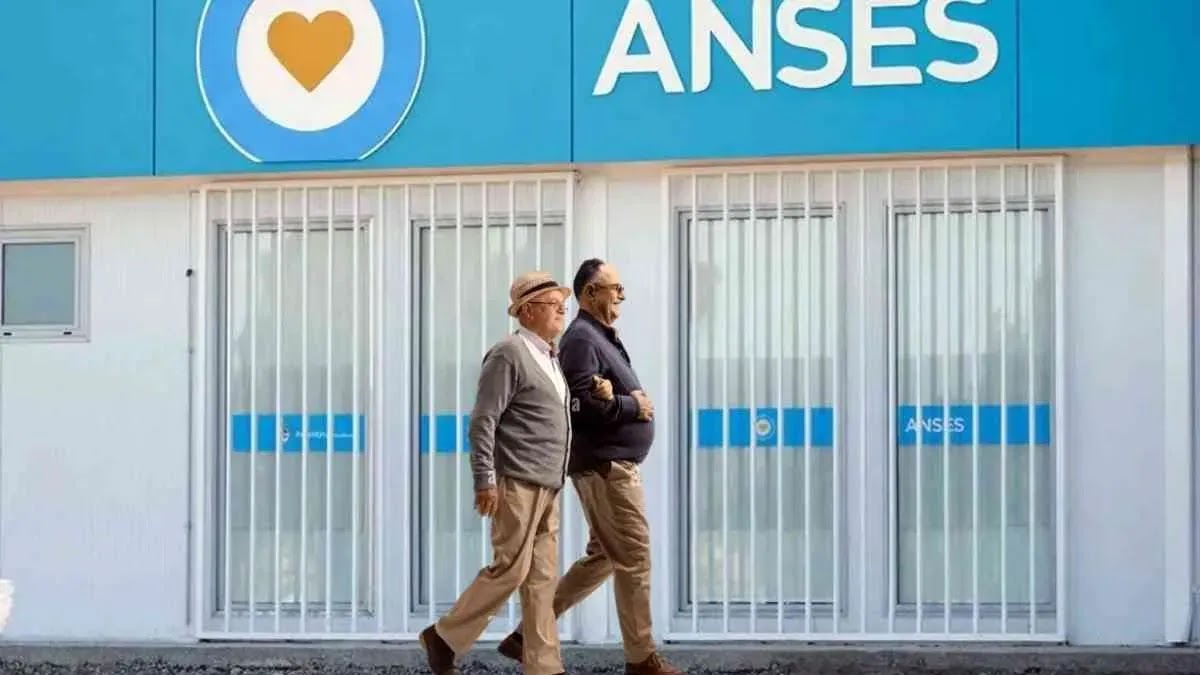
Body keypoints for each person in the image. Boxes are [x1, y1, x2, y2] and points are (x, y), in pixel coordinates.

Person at [495, 259, 683, 675]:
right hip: (606, 468)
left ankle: (526, 634)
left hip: (608, 465)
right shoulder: (581, 339)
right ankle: (641, 659)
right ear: (590, 293)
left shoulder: (597, 337)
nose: (621, 296)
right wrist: (631, 405)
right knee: (634, 558)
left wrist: (618, 399)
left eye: (622, 289)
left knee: (604, 557)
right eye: (615, 288)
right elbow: (576, 404)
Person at [419, 271, 575, 675]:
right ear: (527, 311)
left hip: (549, 484)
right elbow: (483, 420)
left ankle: (545, 666)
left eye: (562, 302)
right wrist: (484, 479)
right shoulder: (509, 354)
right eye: (552, 302)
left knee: (542, 579)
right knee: (511, 569)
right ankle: (444, 637)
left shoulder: (550, 357)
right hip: (517, 481)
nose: (562, 308)